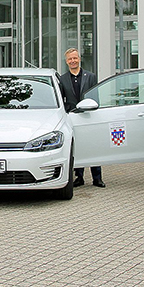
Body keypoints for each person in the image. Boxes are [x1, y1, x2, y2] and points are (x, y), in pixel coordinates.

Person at [58, 48, 104, 188]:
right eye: (70, 59)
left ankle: (97, 178)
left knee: (93, 146)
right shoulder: (62, 79)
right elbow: (61, 98)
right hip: (73, 117)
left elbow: (96, 97)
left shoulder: (90, 76)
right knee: (76, 147)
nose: (73, 61)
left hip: (89, 116)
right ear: (66, 62)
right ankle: (79, 177)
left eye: (75, 58)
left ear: (79, 58)